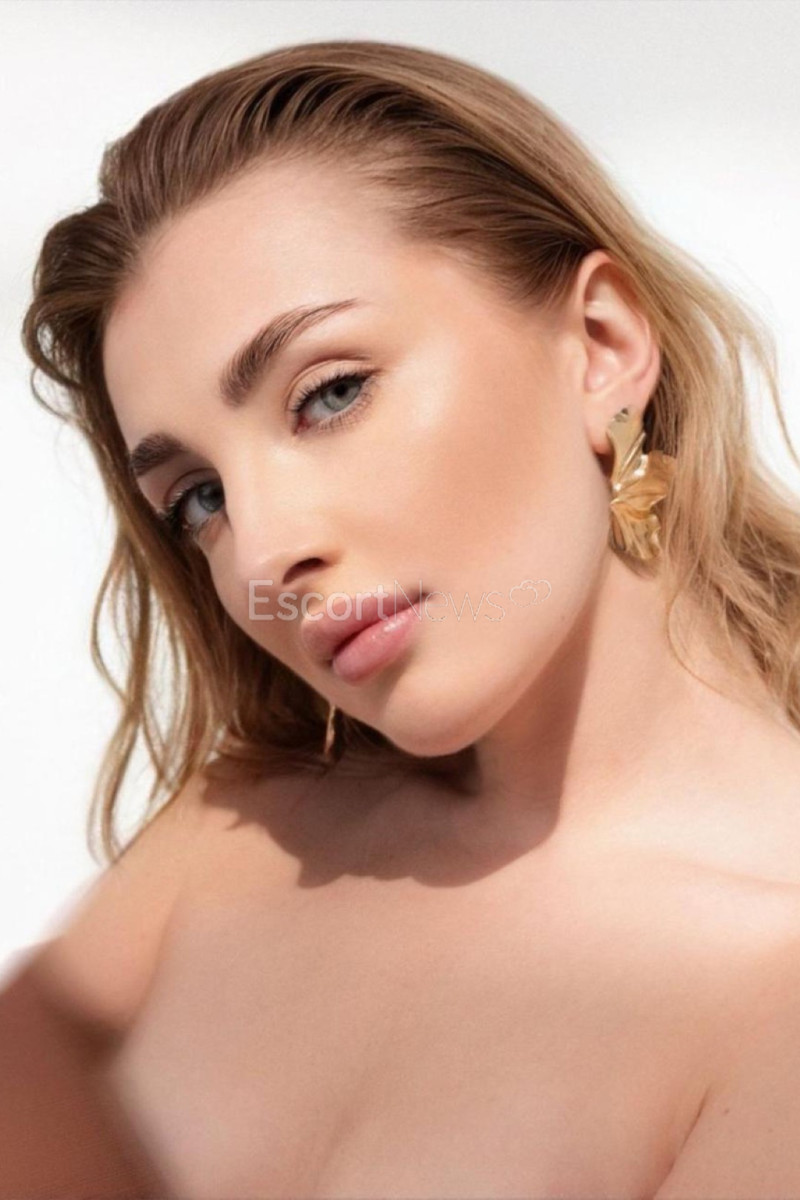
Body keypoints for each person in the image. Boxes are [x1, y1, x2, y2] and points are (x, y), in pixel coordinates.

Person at [6, 36, 800, 1200]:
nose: (262, 552)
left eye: (329, 393)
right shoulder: (243, 833)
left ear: (599, 347)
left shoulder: (771, 985)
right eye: (199, 498)